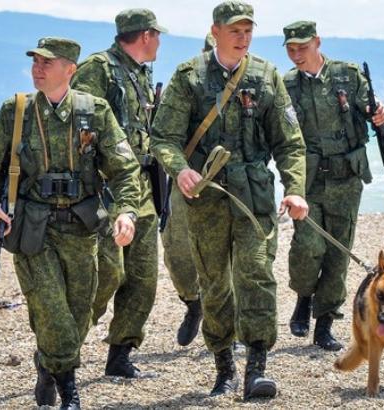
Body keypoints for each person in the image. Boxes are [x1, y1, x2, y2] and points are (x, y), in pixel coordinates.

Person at [150, 1, 308, 401]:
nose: (243, 37)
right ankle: (224, 368)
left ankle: (257, 367)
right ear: (215, 31)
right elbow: (163, 137)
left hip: (254, 195)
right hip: (206, 198)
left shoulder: (266, 76)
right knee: (215, 282)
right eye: (235, 30)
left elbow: (289, 143)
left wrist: (294, 188)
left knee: (257, 274)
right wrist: (179, 169)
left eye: (248, 30)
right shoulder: (189, 77)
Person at [0, 37, 140, 409]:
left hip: (81, 227)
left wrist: (126, 212)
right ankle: (70, 394)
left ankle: (48, 364)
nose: (37, 68)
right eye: (35, 61)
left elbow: (124, 169)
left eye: (46, 62)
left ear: (70, 69)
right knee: (52, 311)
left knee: (80, 313)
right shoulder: (16, 111)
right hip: (34, 229)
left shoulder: (94, 111)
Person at [282, 21, 384, 351]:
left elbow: (374, 108)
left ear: (317, 42)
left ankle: (325, 323)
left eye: (302, 47)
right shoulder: (286, 85)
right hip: (309, 180)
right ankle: (304, 296)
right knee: (307, 246)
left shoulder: (347, 75)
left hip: (346, 178)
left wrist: (383, 114)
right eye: (291, 49)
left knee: (338, 253)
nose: (297, 54)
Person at [71, 8, 167, 378]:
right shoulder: (99, 69)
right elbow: (78, 128)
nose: (159, 42)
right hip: (107, 188)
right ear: (146, 35)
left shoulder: (141, 72)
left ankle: (120, 354)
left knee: (143, 277)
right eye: (157, 35)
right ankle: (62, 348)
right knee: (107, 273)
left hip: (141, 184)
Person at [158, 30, 219, 348]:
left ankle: (226, 326)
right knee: (178, 253)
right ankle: (193, 305)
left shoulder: (249, 85)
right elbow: (164, 135)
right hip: (186, 178)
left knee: (228, 258)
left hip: (229, 182)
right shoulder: (184, 83)